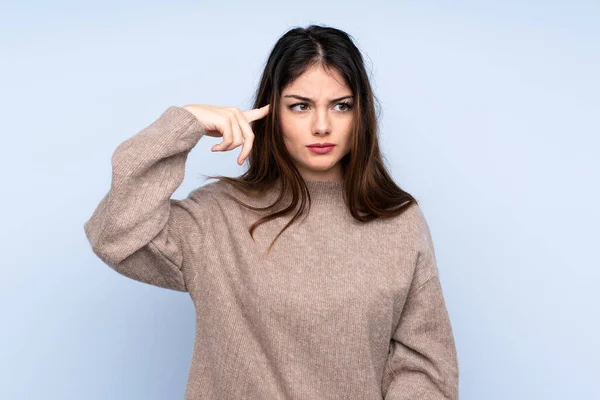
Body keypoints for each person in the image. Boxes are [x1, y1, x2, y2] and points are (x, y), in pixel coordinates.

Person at [84, 24, 459, 399]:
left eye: (341, 105)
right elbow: (114, 235)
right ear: (271, 112)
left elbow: (424, 367)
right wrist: (187, 122)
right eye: (301, 106)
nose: (322, 126)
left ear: (361, 114)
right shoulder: (218, 216)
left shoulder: (398, 220)